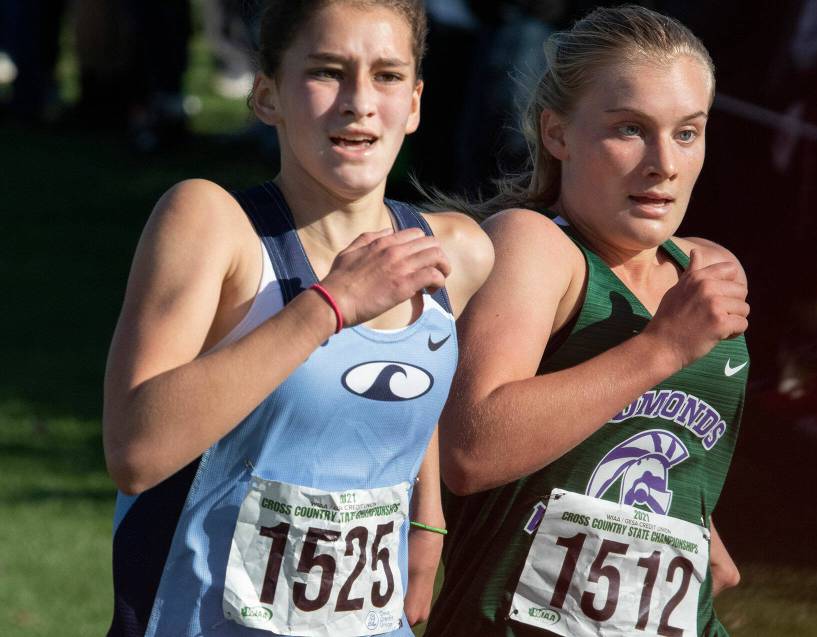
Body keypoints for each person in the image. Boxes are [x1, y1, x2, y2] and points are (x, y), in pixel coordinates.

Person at [101, 1, 493, 635]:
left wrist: (428, 519)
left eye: (388, 76)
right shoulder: (213, 226)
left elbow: (408, 395)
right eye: (327, 72)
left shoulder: (457, 253)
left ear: (416, 103)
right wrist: (331, 304)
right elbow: (135, 453)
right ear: (266, 96)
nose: (359, 101)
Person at [425, 6, 749, 636]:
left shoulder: (707, 268)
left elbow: (661, 432)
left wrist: (693, 525)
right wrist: (661, 347)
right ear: (557, 133)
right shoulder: (536, 247)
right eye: (630, 129)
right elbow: (470, 448)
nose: (664, 164)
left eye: (687, 132)